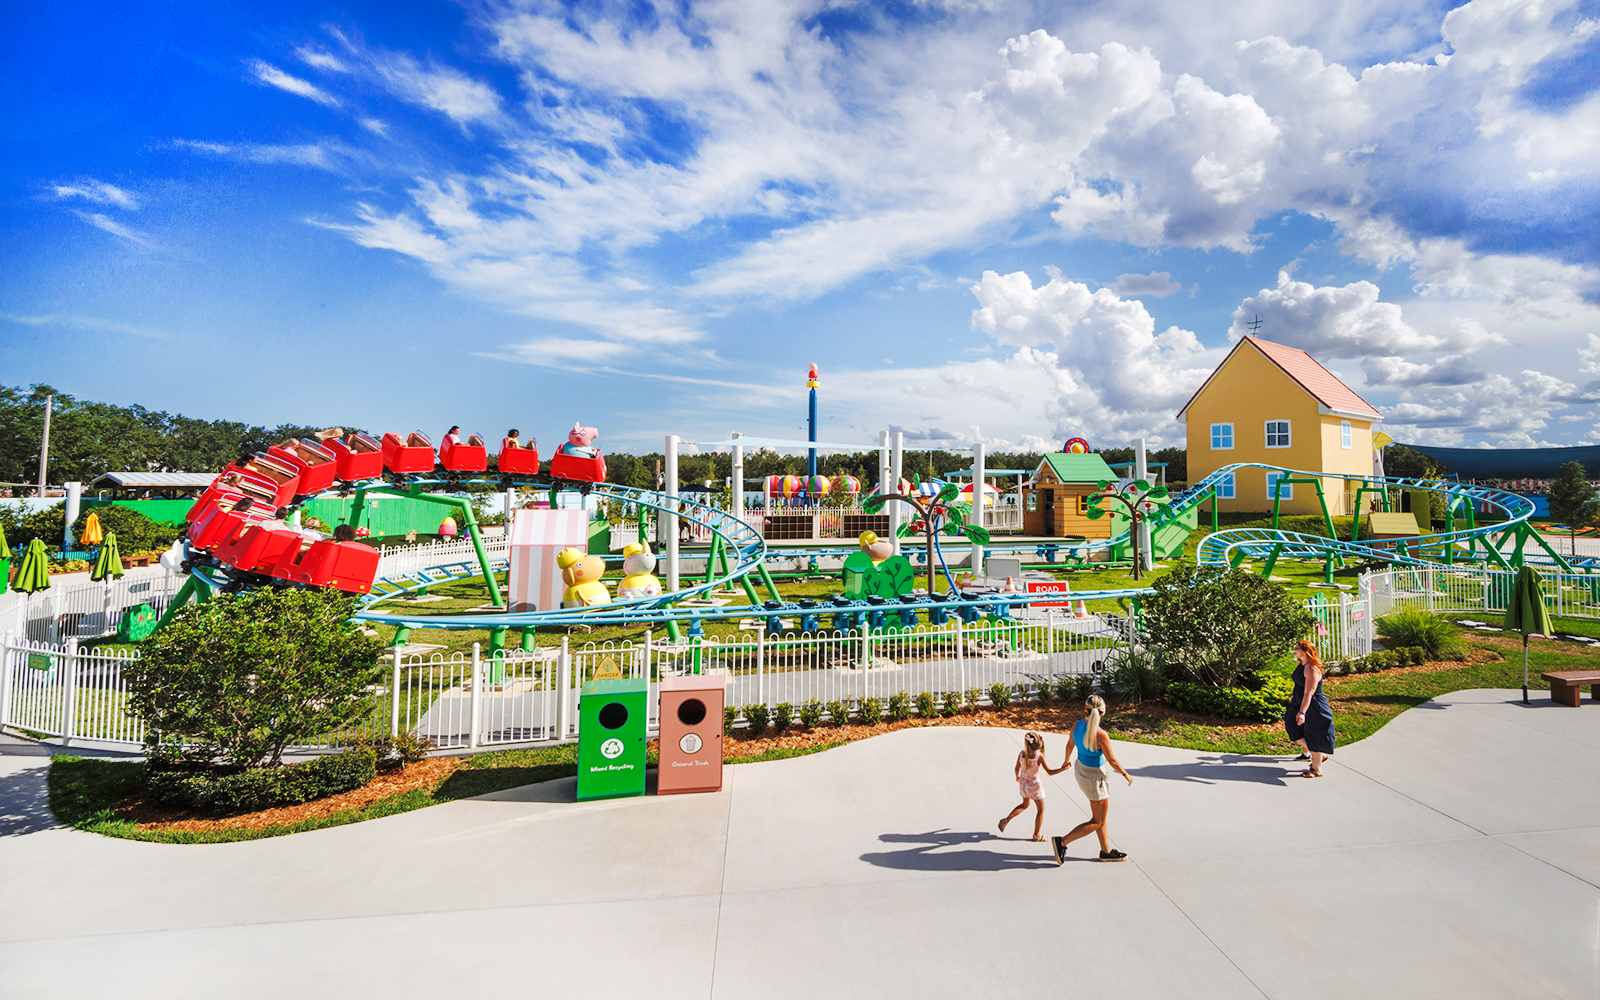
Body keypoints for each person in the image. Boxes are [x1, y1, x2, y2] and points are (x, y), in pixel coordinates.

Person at [1051, 695, 1133, 864]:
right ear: (1103, 712)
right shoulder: (1101, 734)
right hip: (1095, 778)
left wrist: (1066, 760)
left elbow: (1069, 745)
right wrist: (1125, 774)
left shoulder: (1077, 725)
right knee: (1098, 821)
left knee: (1099, 817)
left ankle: (1106, 851)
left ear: (1085, 710)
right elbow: (1112, 760)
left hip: (1081, 771)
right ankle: (1062, 842)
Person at [998, 731, 1069, 842]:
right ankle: (1036, 835)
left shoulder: (1021, 754)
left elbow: (1016, 767)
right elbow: (1049, 772)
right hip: (1034, 786)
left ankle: (1007, 820)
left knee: (1025, 804)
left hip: (1023, 783)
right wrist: (1062, 769)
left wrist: (1017, 776)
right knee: (1041, 809)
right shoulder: (1038, 756)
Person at [1286, 640, 1335, 777]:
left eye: (1297, 648)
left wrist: (1302, 712)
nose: (1294, 650)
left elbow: (1309, 693)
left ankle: (1316, 769)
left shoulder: (1312, 668)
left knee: (1314, 734)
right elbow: (1300, 687)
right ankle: (1318, 754)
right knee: (1292, 727)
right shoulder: (1302, 665)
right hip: (1298, 702)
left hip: (1313, 707)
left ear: (1305, 651)